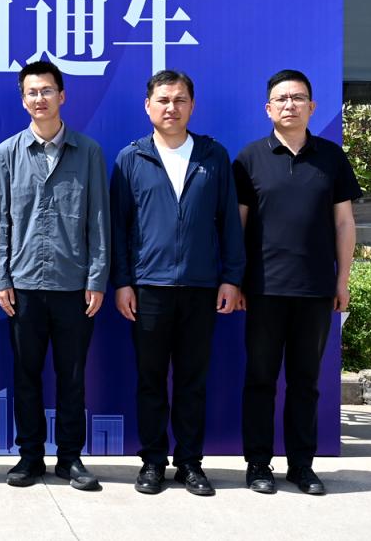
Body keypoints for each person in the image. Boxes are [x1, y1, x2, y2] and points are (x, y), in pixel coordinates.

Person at [111, 69, 245, 497]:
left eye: (180, 100)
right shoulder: (131, 158)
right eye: (163, 100)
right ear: (148, 106)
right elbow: (119, 228)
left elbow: (229, 223)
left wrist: (231, 278)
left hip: (201, 288)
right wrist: (123, 282)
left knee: (192, 381)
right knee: (150, 380)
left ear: (192, 105)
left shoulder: (213, 156)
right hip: (148, 289)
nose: (171, 108)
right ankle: (152, 461)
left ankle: (190, 462)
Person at [234, 70, 360, 496]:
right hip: (263, 290)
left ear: (312, 107)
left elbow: (344, 223)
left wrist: (343, 279)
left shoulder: (331, 158)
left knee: (305, 383)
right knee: (260, 380)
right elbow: (238, 227)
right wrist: (236, 280)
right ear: (268, 108)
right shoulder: (249, 159)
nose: (290, 105)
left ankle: (302, 465)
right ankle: (257, 464)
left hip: (315, 289)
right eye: (282, 99)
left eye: (298, 98)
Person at [0, 61, 109, 491]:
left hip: (74, 286)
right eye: (31, 92)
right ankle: (30, 456)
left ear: (62, 95)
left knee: (72, 377)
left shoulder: (88, 152)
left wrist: (97, 278)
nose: (39, 99)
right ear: (23, 100)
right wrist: (1, 279)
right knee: (26, 375)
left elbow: (98, 219)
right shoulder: (8, 153)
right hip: (22, 285)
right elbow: (0, 221)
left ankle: (70, 458)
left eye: (46, 91)